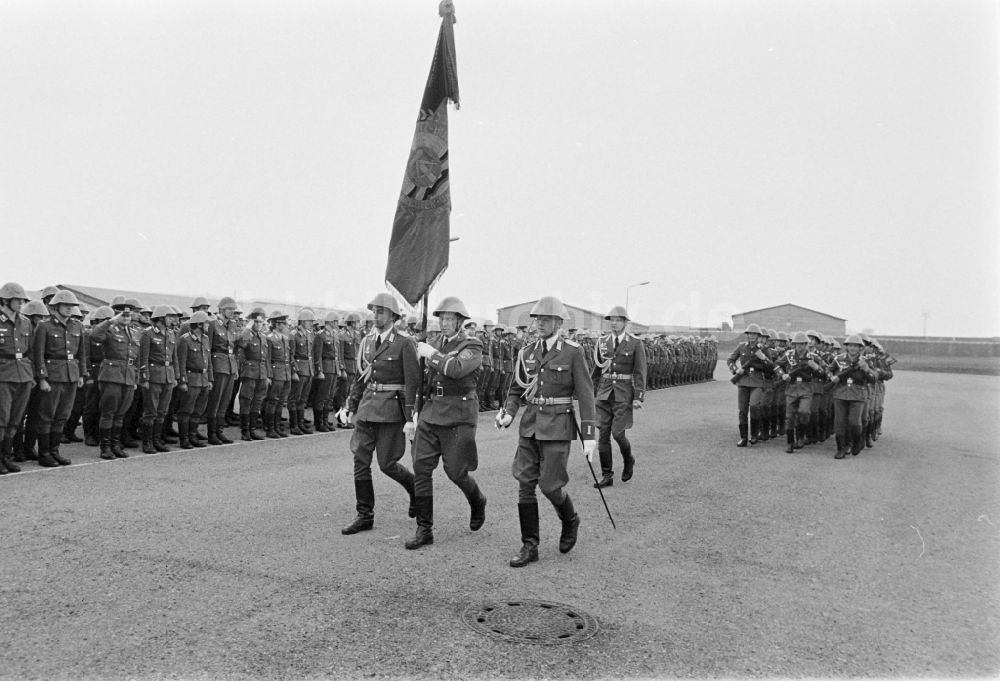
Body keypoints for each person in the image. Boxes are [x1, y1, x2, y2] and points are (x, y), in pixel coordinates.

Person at [495, 296, 596, 568]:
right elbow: (516, 389)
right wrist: (508, 413)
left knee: (550, 485)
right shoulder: (526, 352)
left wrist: (589, 435)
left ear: (559, 323)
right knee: (525, 484)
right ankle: (530, 545)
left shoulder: (572, 352)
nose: (539, 324)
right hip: (530, 426)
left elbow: (586, 394)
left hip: (558, 427)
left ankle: (570, 519)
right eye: (537, 319)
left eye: (546, 320)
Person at [405, 296, 487, 550]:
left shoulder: (472, 345)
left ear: (460, 322)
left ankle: (476, 499)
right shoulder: (432, 343)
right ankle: (424, 528)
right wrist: (415, 413)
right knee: (421, 467)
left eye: (450, 319)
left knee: (455, 471)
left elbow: (456, 369)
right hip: (432, 411)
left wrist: (432, 354)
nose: (444, 323)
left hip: (458, 415)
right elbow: (423, 381)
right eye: (441, 318)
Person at [341, 293, 420, 536]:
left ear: (393, 317)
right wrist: (350, 406)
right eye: (374, 311)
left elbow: (412, 382)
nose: (376, 316)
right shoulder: (367, 341)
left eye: (381, 312)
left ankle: (414, 488)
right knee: (360, 460)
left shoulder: (404, 343)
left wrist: (411, 417)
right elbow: (361, 377)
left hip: (390, 409)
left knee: (387, 464)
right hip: (367, 407)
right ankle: (364, 514)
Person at [592, 305, 647, 487]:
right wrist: (587, 392)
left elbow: (640, 372)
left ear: (625, 322)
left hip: (623, 393)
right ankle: (607, 475)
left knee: (617, 433)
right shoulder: (602, 342)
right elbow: (596, 370)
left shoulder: (635, 343)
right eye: (611, 320)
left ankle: (628, 459)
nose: (613, 323)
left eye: (617, 320)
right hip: (604, 392)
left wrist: (639, 396)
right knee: (603, 434)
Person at [32, 289, 88, 466]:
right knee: (47, 415)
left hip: (71, 375)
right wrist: (42, 378)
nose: (69, 309)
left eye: (72, 306)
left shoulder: (77, 326)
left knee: (62, 415)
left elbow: (82, 353)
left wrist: (81, 374)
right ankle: (44, 453)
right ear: (55, 307)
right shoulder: (45, 326)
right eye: (66, 305)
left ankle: (55, 451)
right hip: (53, 376)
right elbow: (38, 354)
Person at [91, 299, 141, 459]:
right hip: (112, 376)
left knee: (121, 414)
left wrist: (135, 379)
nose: (126, 317)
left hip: (128, 376)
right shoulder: (110, 329)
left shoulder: (134, 332)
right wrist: (110, 321)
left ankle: (115, 444)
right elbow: (94, 335)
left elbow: (136, 357)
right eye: (122, 314)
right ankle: (105, 447)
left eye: (128, 314)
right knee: (108, 412)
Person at [0, 283, 35, 474]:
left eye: (22, 300)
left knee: (15, 418)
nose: (21, 304)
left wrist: (33, 375)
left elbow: (29, 349)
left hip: (23, 374)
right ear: (5, 300)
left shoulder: (25, 322)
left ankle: (6, 456)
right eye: (17, 300)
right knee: (1, 418)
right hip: (3, 374)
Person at [773, 332, 826, 453]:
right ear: (794, 345)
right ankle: (790, 442)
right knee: (789, 416)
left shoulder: (813, 356)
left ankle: (801, 436)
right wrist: (782, 375)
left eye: (802, 344)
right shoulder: (788, 355)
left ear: (806, 344)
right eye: (797, 344)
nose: (800, 347)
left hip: (806, 388)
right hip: (791, 387)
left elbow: (824, 371)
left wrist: (815, 367)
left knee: (804, 412)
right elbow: (776, 365)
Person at [138, 305, 180, 453]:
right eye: (169, 317)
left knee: (162, 411)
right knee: (151, 411)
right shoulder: (148, 334)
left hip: (168, 376)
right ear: (161, 318)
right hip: (154, 376)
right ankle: (147, 442)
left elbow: (174, 357)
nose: (172, 320)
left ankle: (157, 439)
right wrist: (145, 378)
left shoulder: (171, 334)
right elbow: (143, 358)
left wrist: (176, 376)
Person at [828, 335, 877, 458]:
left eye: (856, 346)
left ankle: (857, 441)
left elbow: (873, 379)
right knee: (839, 423)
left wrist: (866, 369)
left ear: (860, 348)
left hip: (858, 395)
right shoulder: (838, 359)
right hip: (840, 393)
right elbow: (828, 370)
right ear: (846, 347)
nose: (853, 348)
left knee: (855, 422)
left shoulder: (866, 361)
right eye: (850, 345)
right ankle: (841, 448)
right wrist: (831, 377)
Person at [726, 323, 773, 447]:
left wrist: (763, 358)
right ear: (747, 335)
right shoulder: (742, 347)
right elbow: (730, 360)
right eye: (750, 334)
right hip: (743, 381)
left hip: (757, 382)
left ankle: (754, 435)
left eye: (755, 334)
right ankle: (743, 437)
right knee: (742, 410)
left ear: (758, 336)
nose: (752, 336)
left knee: (754, 406)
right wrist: (736, 370)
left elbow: (771, 367)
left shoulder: (764, 349)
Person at [176, 310, 214, 449]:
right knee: (186, 410)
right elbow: (181, 362)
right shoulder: (185, 339)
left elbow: (208, 361)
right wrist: (183, 381)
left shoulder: (205, 339)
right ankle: (184, 438)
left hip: (203, 379)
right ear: (198, 324)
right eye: (206, 323)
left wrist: (210, 379)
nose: (208, 326)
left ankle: (193, 436)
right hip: (191, 379)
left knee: (198, 410)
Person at [205, 297, 240, 446]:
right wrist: (209, 372)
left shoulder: (232, 325)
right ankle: (212, 433)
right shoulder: (212, 324)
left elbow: (234, 348)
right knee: (215, 401)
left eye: (233, 310)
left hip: (230, 365)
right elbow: (208, 349)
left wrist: (235, 368)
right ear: (221, 310)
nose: (232, 312)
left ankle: (219, 431)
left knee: (225, 401)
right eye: (229, 309)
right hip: (218, 365)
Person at [236, 307, 271, 441]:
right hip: (250, 371)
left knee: (257, 401)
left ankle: (252, 429)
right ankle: (245, 430)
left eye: (261, 322)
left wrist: (267, 375)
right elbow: (242, 344)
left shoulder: (263, 336)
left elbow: (266, 357)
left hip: (261, 372)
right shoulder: (247, 334)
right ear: (251, 322)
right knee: (246, 400)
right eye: (256, 322)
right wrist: (247, 328)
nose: (258, 324)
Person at [263, 310, 294, 439]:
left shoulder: (284, 338)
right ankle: (270, 428)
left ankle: (276, 426)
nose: (285, 326)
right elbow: (268, 359)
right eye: (282, 323)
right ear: (276, 324)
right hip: (276, 372)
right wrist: (268, 376)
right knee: (273, 400)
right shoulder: (269, 338)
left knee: (281, 401)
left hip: (285, 372)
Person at [313, 311, 344, 433]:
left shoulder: (335, 334)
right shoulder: (321, 335)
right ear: (331, 322)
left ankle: (325, 421)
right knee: (322, 396)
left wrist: (340, 368)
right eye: (336, 322)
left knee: (330, 396)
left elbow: (338, 354)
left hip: (334, 367)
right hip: (325, 367)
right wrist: (319, 370)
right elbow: (317, 355)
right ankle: (319, 423)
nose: (337, 324)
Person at [287, 309, 316, 435]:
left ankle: (300, 423)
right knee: (294, 398)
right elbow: (290, 355)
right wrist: (294, 370)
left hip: (308, 369)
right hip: (299, 368)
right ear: (303, 321)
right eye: (309, 321)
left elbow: (311, 354)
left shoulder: (309, 334)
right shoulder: (294, 334)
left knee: (303, 399)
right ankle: (294, 425)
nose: (311, 323)